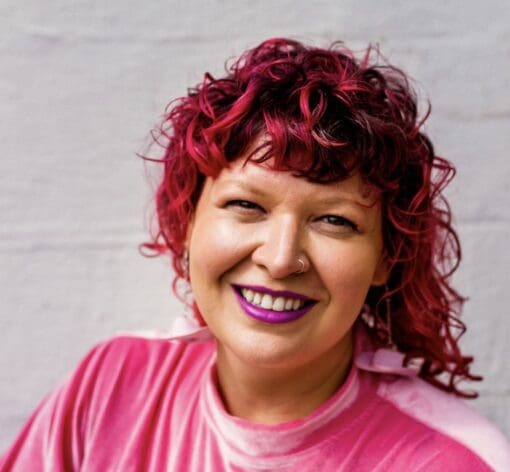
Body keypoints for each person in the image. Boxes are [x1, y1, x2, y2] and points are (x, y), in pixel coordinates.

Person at [1, 38, 509, 472]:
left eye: (334, 220)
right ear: (190, 220)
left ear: (385, 256)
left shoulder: (451, 460)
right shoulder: (111, 385)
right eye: (246, 204)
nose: (281, 258)